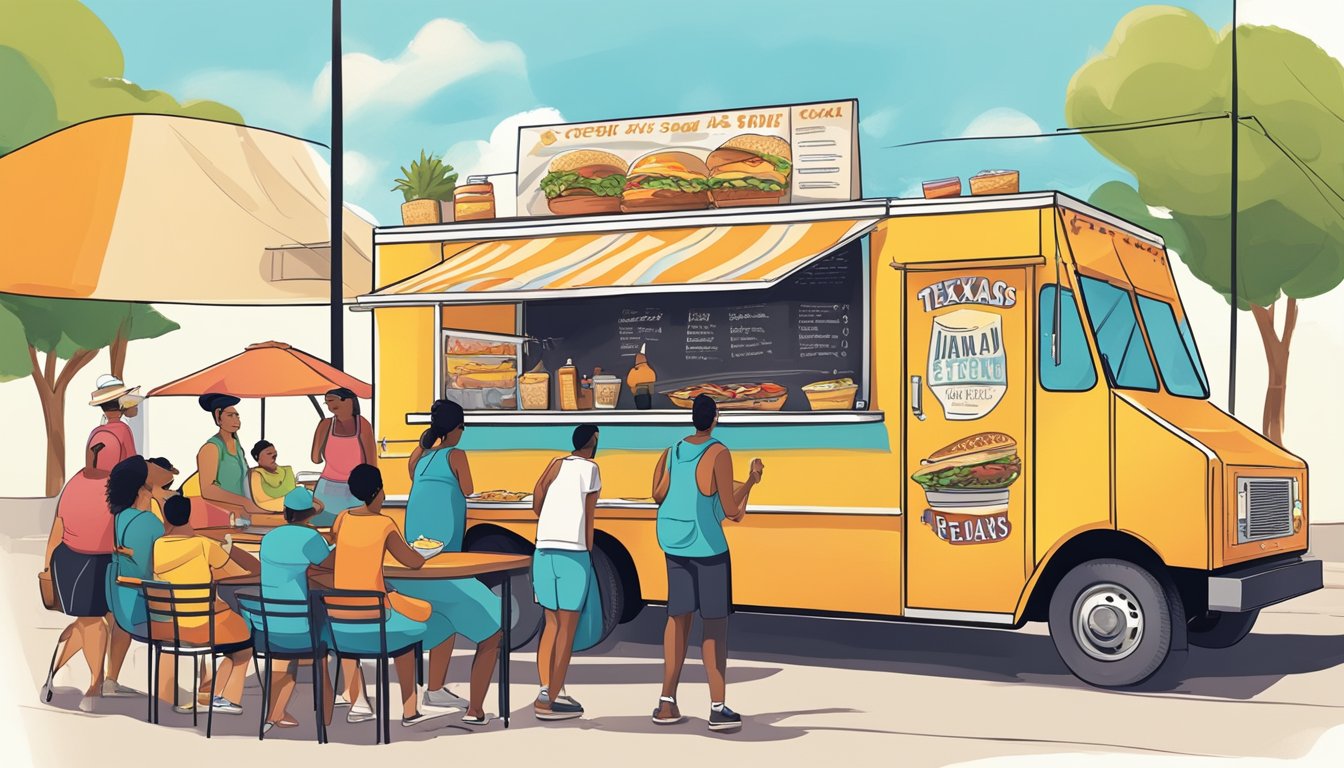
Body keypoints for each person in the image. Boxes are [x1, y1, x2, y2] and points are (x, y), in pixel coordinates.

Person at [649, 395, 763, 732]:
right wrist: (752, 480)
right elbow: (730, 509)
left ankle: (666, 703)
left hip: (674, 543)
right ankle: (717, 708)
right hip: (707, 548)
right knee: (713, 626)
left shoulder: (672, 451)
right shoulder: (718, 452)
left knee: (677, 620)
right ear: (715, 418)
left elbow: (658, 494)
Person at [394, 399, 502, 724]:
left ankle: (436, 687)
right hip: (445, 559)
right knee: (485, 626)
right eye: (461, 427)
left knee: (444, 619)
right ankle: (473, 709)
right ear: (457, 428)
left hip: (417, 559)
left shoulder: (421, 457)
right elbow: (468, 489)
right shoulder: (457, 455)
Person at [41, 375, 144, 711]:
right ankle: (95, 687)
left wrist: (46, 565)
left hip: (67, 557)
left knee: (88, 621)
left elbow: (58, 525)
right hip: (94, 555)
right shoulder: (118, 475)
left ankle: (58, 675)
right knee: (97, 621)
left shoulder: (77, 481)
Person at [329, 464, 432, 727]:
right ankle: (410, 711)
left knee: (350, 630)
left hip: (340, 614)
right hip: (375, 614)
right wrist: (427, 552)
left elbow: (338, 543)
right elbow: (413, 562)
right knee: (409, 633)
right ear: (378, 491)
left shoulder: (342, 518)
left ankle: (358, 703)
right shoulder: (385, 523)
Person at [152, 494, 259, 715]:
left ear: (166, 517)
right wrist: (229, 548)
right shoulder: (203, 545)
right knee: (243, 647)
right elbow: (239, 573)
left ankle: (188, 695)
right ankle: (221, 697)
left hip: (167, 625)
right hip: (201, 625)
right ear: (189, 517)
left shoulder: (158, 546)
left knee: (220, 626)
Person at [529, 424, 603, 721]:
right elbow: (589, 514)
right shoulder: (592, 469)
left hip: (543, 549)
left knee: (550, 624)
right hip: (574, 553)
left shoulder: (555, 464)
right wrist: (589, 551)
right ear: (593, 442)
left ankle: (548, 689)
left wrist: (547, 516)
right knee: (568, 627)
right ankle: (550, 701)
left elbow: (538, 496)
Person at [250, 487, 335, 732]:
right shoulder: (310, 538)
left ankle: (274, 713)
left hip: (269, 625)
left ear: (285, 512)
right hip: (301, 627)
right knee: (328, 631)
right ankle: (330, 715)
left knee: (284, 653)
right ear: (311, 512)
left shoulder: (269, 538)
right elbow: (329, 563)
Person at [103, 456, 176, 707]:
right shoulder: (150, 522)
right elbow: (169, 545)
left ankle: (110, 679)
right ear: (141, 486)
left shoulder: (121, 516)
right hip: (144, 605)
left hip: (121, 597)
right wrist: (165, 505)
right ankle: (173, 693)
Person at [196, 393, 272, 527]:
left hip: (244, 514)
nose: (236, 420)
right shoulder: (211, 448)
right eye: (230, 415)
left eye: (237, 415)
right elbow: (208, 490)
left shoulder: (237, 445)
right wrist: (244, 503)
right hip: (223, 517)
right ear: (218, 417)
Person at [311, 387, 375, 527]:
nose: (329, 406)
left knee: (337, 528)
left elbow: (316, 458)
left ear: (348, 401)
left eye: (332, 401)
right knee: (350, 528)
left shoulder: (327, 425)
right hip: (338, 488)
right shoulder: (361, 424)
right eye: (326, 403)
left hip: (343, 488)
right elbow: (371, 464)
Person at [248, 440, 300, 514]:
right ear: (257, 457)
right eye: (269, 453)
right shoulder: (255, 475)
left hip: (296, 510)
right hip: (277, 513)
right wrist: (287, 504)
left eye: (275, 453)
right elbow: (259, 501)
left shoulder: (287, 471)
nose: (274, 456)